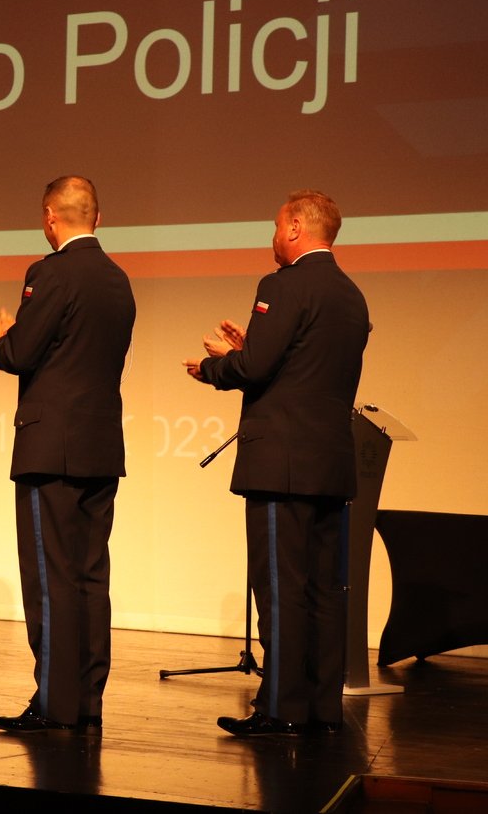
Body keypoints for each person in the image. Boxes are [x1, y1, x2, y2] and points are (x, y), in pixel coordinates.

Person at [182, 189, 369, 736]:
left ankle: (282, 708)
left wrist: (216, 367)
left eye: (275, 226)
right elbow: (304, 364)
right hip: (330, 464)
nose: (273, 236)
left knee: (280, 588)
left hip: (280, 464)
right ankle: (322, 708)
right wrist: (254, 348)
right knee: (323, 591)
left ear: (293, 228)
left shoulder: (282, 284)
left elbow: (257, 367)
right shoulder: (352, 295)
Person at [0, 176, 135, 735]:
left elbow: (22, 353)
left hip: (51, 451)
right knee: (90, 579)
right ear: (98, 217)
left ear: (50, 217)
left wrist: (2, 335)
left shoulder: (50, 273)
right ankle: (86, 700)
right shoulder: (117, 278)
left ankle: (54, 702)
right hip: (100, 446)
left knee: (50, 580)